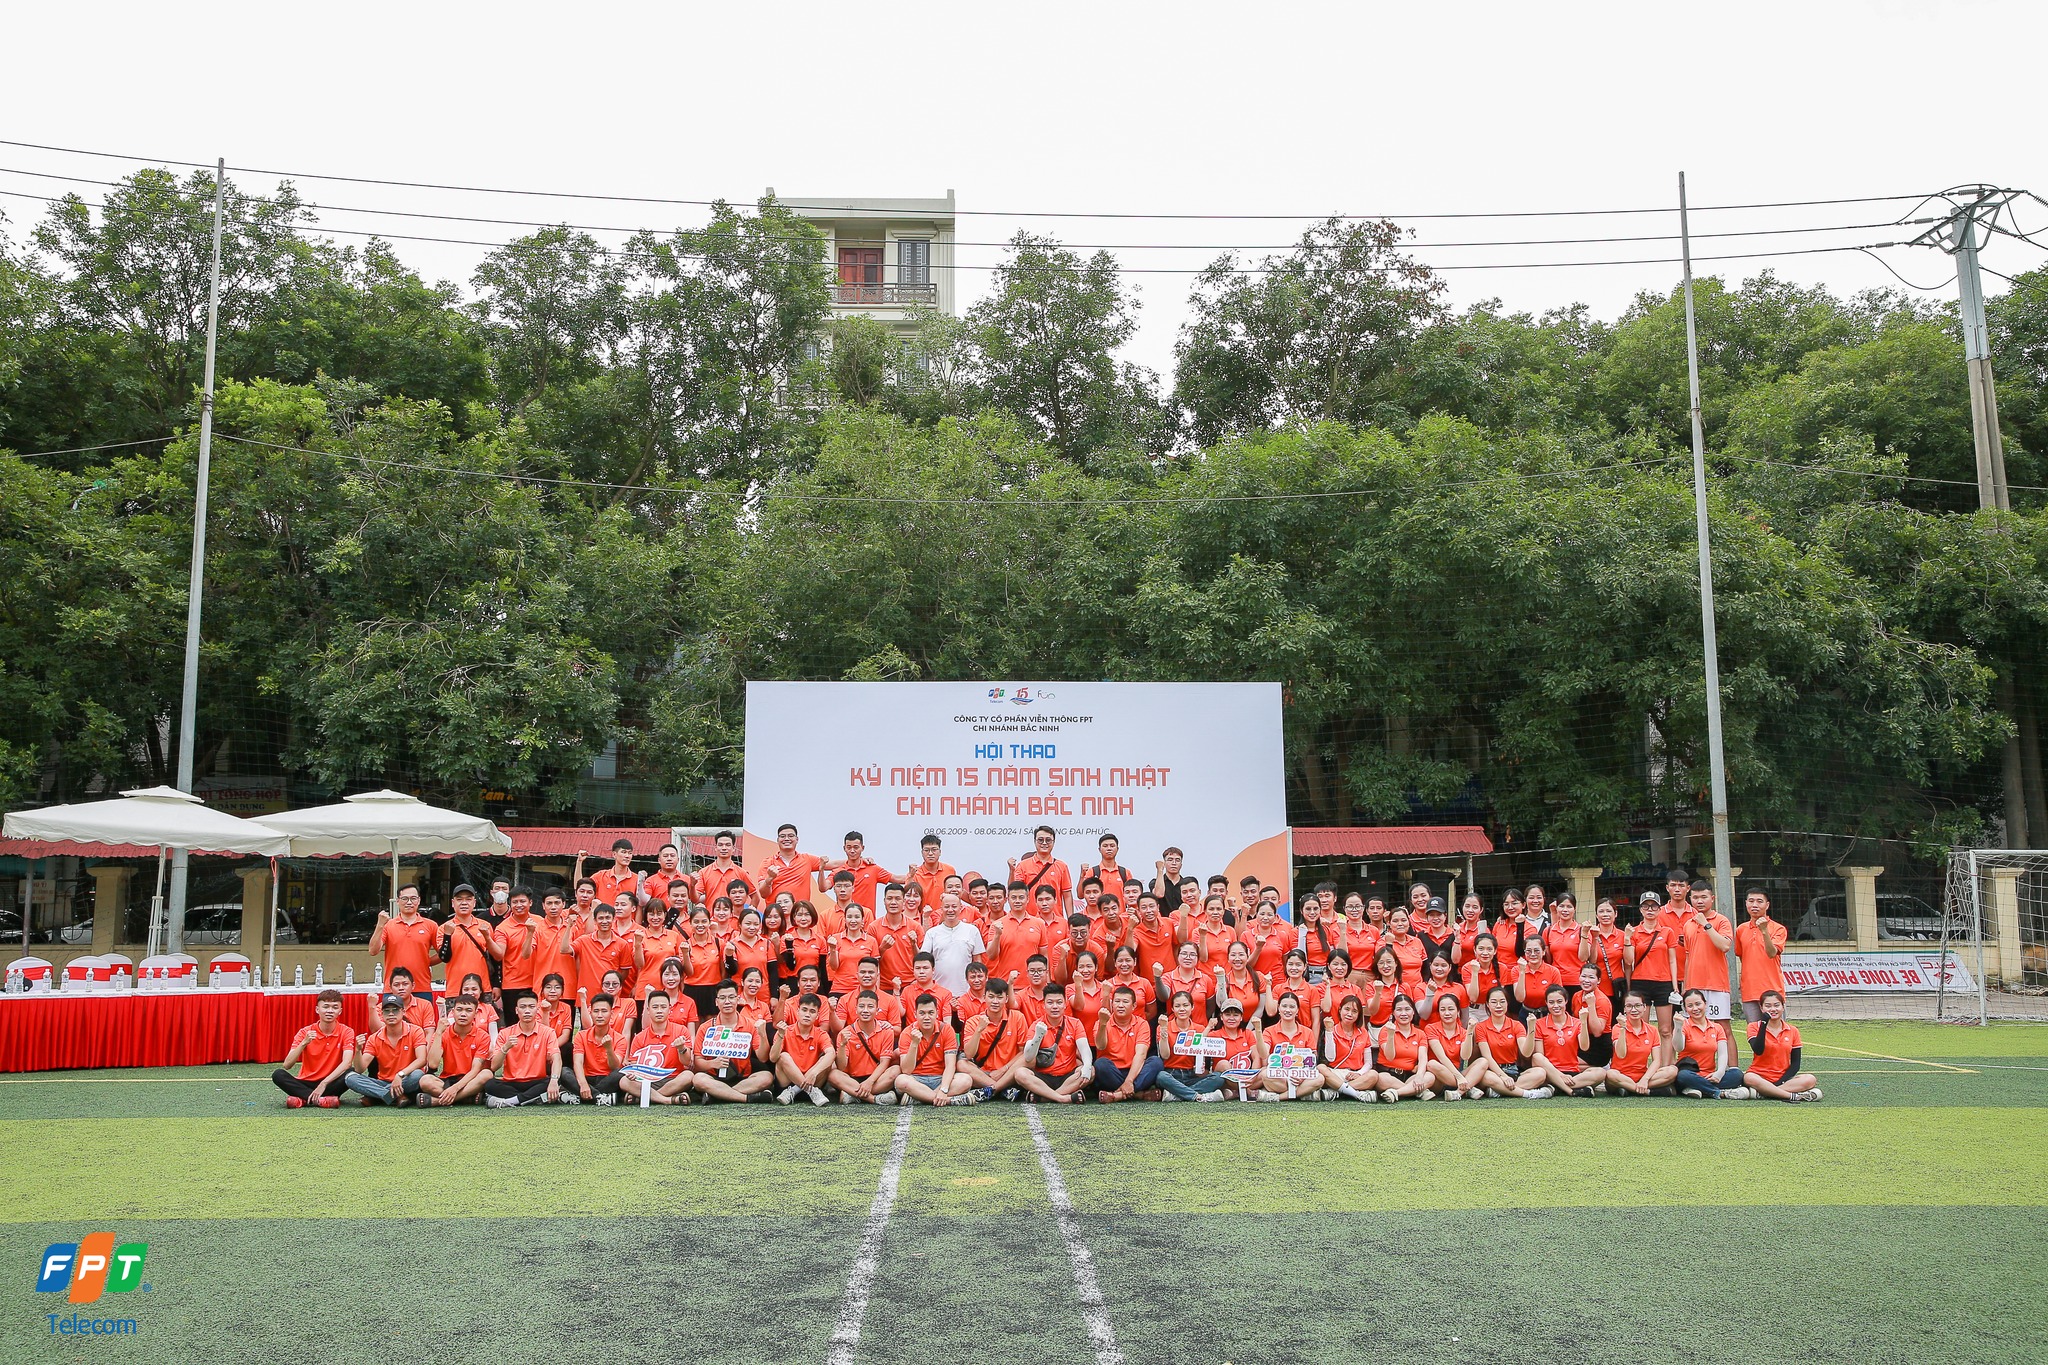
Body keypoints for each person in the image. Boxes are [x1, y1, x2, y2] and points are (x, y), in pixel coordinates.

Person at [691, 980, 775, 1103]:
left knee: (767, 1077)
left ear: (738, 999)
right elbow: (698, 1062)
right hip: (714, 1078)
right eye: (722, 998)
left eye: (731, 997)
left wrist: (762, 1035)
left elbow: (762, 1058)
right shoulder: (705, 1027)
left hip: (743, 1078)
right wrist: (713, 1063)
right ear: (716, 1002)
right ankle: (745, 1098)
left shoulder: (750, 1025)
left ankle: (716, 1096)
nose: (727, 1002)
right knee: (698, 1079)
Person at [273, 988, 354, 1108]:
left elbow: (347, 1063)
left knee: (351, 1072)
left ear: (340, 1011)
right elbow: (287, 1065)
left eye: (335, 1007)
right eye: (325, 1007)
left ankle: (303, 1099)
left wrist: (324, 1083)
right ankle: (321, 1100)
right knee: (278, 1074)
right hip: (306, 1082)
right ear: (317, 1009)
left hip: (330, 1083)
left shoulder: (346, 1031)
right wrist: (304, 1043)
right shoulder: (305, 1032)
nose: (330, 1011)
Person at [1678, 880, 1736, 1046]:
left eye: (1704, 897)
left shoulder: (1721, 921)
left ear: (1712, 898)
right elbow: (1688, 956)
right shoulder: (1688, 924)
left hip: (1716, 984)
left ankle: (1730, 1063)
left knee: (1723, 1029)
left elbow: (1725, 946)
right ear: (1690, 899)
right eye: (1695, 897)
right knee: (1693, 1029)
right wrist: (1685, 986)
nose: (1699, 901)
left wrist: (1706, 924)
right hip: (1694, 986)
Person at [345, 993, 429, 1106]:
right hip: (383, 1081)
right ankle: (392, 1095)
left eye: (395, 1010)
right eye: (386, 1011)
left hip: (406, 1078)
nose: (391, 1014)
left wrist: (400, 1075)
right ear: (381, 1014)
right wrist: (358, 1050)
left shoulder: (416, 1031)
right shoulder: (374, 1038)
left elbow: (422, 1060)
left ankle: (377, 1096)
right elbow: (360, 1069)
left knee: (417, 1075)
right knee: (350, 1078)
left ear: (403, 1012)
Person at [1521, 985, 1604, 1098]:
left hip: (1573, 1073)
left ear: (1566, 1001)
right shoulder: (1539, 1024)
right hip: (1550, 1072)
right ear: (1546, 1003)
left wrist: (1584, 1021)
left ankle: (1555, 1088)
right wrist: (1560, 1075)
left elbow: (1584, 1047)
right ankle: (1570, 1090)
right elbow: (1540, 1056)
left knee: (1601, 1072)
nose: (1556, 1006)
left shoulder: (1577, 1022)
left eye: (1559, 1001)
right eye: (1551, 1002)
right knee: (1537, 1057)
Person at [1669, 988, 1752, 1099]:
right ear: (1685, 1008)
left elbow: (1722, 1053)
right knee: (1682, 1076)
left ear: (1705, 1004)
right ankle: (1720, 1092)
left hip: (1710, 1075)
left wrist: (1720, 1073)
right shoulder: (1684, 1025)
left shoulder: (1717, 1027)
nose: (1695, 1009)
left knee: (1737, 1074)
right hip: (1690, 1073)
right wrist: (1678, 1027)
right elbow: (1678, 1048)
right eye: (1690, 1006)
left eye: (1698, 1004)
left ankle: (1699, 1089)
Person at [1742, 989, 1822, 1102]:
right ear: (1761, 1008)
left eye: (1776, 1005)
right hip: (1759, 1076)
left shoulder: (1793, 1030)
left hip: (1784, 1079)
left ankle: (1766, 1093)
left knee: (1810, 1079)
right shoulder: (1753, 1027)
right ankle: (1791, 1096)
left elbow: (1795, 1064)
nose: (1773, 1009)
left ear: (1783, 1007)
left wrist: (1780, 1082)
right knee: (1748, 1077)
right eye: (1768, 1006)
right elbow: (1758, 1050)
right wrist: (1764, 1024)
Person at [484, 993, 562, 1107]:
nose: (527, 1011)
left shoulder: (548, 1032)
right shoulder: (505, 1033)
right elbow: (494, 1066)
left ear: (537, 1010)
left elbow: (556, 1058)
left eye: (531, 1007)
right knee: (490, 1085)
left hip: (537, 1081)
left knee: (556, 1080)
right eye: (523, 1007)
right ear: (516, 1010)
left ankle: (511, 1101)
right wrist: (505, 1048)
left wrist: (554, 1080)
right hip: (512, 1082)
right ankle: (532, 1098)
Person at [619, 990, 694, 1105]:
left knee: (688, 1076)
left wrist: (681, 1048)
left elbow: (687, 1062)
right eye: (655, 1007)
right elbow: (635, 1066)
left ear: (669, 1009)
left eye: (663, 1007)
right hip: (647, 1081)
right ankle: (667, 1100)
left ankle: (645, 1097)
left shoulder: (681, 1030)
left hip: (673, 1079)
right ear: (648, 1010)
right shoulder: (639, 1037)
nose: (659, 1011)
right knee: (624, 1081)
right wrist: (633, 1074)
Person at [894, 993, 970, 1106]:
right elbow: (906, 1070)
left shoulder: (947, 1029)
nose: (926, 1017)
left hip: (940, 1078)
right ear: (915, 1014)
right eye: (922, 1013)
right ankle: (948, 1100)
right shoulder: (907, 1032)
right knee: (901, 1081)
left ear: (937, 1013)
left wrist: (943, 1089)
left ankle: (920, 1098)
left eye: (931, 1013)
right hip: (916, 1079)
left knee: (966, 1080)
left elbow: (950, 1065)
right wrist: (914, 1044)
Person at [959, 979, 1030, 1099]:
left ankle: (993, 1089)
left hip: (1009, 1071)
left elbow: (1022, 1051)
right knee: (961, 1064)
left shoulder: (1017, 1017)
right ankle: (1003, 1090)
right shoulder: (973, 1021)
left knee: (1028, 1058)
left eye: (999, 997)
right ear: (984, 997)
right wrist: (979, 1030)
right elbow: (969, 1054)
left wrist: (1003, 1070)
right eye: (991, 997)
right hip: (984, 1073)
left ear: (1006, 999)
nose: (995, 1001)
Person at [418, 993, 492, 1106]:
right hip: (448, 1079)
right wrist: (438, 1033)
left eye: (468, 1010)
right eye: (459, 1009)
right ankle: (467, 1098)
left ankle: (437, 1101)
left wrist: (455, 1089)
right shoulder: (442, 1033)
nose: (463, 1014)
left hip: (470, 1080)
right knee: (425, 1081)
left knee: (487, 1074)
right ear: (453, 1012)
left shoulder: (483, 1036)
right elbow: (432, 1064)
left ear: (475, 1013)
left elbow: (475, 1070)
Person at [1154, 990, 1227, 1102]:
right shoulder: (1164, 1027)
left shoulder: (1199, 1029)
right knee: (1161, 1076)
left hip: (1192, 1075)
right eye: (1177, 1006)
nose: (1182, 1009)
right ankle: (1196, 1096)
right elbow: (1165, 1055)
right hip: (1171, 1074)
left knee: (1219, 1078)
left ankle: (1178, 1095)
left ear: (1192, 1007)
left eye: (1185, 1005)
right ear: (1172, 1009)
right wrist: (1163, 1029)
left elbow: (1200, 1053)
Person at [832, 989, 901, 1104]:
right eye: (861, 1006)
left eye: (870, 1007)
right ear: (856, 1009)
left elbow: (884, 1063)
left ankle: (853, 1094)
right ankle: (874, 1099)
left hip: (876, 1078)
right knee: (833, 1074)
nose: (865, 1010)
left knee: (896, 1070)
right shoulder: (845, 1033)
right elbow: (842, 1067)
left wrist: (870, 1082)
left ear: (877, 1010)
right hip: (851, 1078)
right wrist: (843, 1045)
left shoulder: (887, 1031)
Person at [1092, 984, 1159, 1102]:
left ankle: (1118, 1095)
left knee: (1156, 1062)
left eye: (1125, 1002)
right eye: (1117, 1001)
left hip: (1135, 1071)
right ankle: (1137, 1094)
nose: (1120, 1005)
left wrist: (1129, 1080)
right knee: (1100, 1064)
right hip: (1113, 1071)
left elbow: (1141, 1054)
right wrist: (1103, 1024)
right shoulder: (1102, 1022)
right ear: (1112, 1004)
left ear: (1134, 1006)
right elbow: (1100, 1046)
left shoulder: (1142, 1023)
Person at [369, 884, 439, 995]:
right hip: (394, 988)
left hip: (421, 987)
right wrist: (380, 925)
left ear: (419, 900)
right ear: (397, 901)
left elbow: (443, 954)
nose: (409, 902)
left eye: (413, 898)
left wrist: (426, 961)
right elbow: (373, 951)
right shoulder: (388, 926)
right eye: (405, 898)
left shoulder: (431, 925)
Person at [1627, 890, 1680, 1035]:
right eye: (1646, 906)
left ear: (1659, 909)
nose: (1649, 910)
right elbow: (1628, 961)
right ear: (1640, 909)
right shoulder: (1634, 932)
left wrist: (1675, 985)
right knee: (1641, 1028)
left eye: (1654, 906)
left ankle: (1666, 1052)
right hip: (1640, 982)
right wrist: (1627, 939)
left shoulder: (1667, 932)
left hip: (1663, 982)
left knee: (1665, 1030)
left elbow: (1672, 960)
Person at [1733, 889, 1789, 1025]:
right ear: (1746, 903)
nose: (1755, 905)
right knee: (1754, 1032)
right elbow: (1742, 956)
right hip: (1749, 991)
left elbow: (1772, 953)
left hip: (1772, 990)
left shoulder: (1778, 929)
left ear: (1767, 905)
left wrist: (1764, 931)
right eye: (1751, 901)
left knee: (1776, 1032)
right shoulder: (1741, 929)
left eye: (1759, 901)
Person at [916, 890, 987, 998]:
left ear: (960, 908)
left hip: (966, 993)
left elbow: (977, 961)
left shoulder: (972, 930)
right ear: (941, 909)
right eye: (946, 907)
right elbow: (924, 961)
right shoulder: (932, 933)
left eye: (954, 906)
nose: (950, 910)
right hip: (938, 993)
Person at [771, 992, 836, 1106]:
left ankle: (797, 1090)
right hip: (786, 1086)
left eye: (812, 1011)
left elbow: (831, 1053)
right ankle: (808, 1090)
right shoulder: (785, 1031)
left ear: (817, 1016)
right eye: (804, 1010)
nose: (807, 1014)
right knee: (783, 1056)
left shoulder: (821, 1033)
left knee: (827, 1059)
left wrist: (814, 1072)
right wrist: (781, 1035)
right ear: (798, 1011)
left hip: (812, 1081)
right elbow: (773, 1058)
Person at [1603, 992, 1673, 1096]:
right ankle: (1647, 1091)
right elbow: (1621, 1054)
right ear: (1624, 1009)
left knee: (1672, 1071)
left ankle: (1631, 1088)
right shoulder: (1617, 1028)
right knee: (1610, 1074)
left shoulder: (1652, 1030)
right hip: (1620, 1076)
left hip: (1642, 1076)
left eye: (1637, 1005)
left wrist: (1645, 1079)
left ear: (1644, 1007)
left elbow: (1657, 1061)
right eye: (1629, 1006)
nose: (1634, 1010)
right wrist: (1623, 1028)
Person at [1470, 986, 1534, 1098]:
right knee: (1487, 1077)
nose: (1498, 1006)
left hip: (1512, 1070)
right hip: (1492, 1071)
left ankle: (1499, 1090)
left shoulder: (1516, 1025)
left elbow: (1526, 1052)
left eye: (1502, 1001)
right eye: (1494, 1002)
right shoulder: (1481, 1027)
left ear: (1507, 1003)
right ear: (1488, 1004)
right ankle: (1527, 1093)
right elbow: (1487, 1056)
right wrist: (1503, 1076)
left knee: (1540, 1073)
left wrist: (1531, 1028)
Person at [1258, 991, 1321, 1101]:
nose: (1288, 1010)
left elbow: (1312, 1060)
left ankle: (1279, 1097)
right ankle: (1303, 1093)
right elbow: (1264, 1055)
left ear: (1297, 1010)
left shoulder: (1308, 1032)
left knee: (1320, 1078)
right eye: (1284, 1006)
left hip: (1301, 1076)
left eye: (1292, 1007)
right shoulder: (1269, 1031)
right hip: (1279, 1077)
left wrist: (1303, 1076)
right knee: (1265, 1074)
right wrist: (1258, 1031)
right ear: (1278, 1008)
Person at [490, 886, 542, 1022]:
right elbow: (499, 953)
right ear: (510, 904)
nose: (519, 905)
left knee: (538, 1024)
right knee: (513, 1025)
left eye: (522, 901)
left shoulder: (540, 922)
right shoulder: (503, 928)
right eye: (515, 902)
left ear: (530, 902)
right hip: (513, 985)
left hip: (538, 983)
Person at [437, 884, 496, 999]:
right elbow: (444, 958)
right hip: (455, 990)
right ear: (453, 903)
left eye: (468, 899)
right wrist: (447, 935)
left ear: (474, 903)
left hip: (482, 989)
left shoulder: (485, 926)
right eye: (459, 899)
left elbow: (495, 957)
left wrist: (496, 984)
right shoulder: (444, 928)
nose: (464, 903)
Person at [1319, 994, 1379, 1102]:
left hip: (1356, 1074)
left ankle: (1336, 1092)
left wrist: (1359, 1073)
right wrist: (1329, 1031)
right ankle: (1355, 1093)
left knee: (1373, 1075)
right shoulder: (1332, 1030)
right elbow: (1330, 1058)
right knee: (1321, 1068)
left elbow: (1368, 1063)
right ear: (1340, 1010)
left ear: (1359, 1014)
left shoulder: (1363, 1032)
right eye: (1347, 1009)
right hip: (1336, 1073)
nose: (1350, 1014)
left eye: (1354, 1011)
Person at [1372, 994, 1431, 1102]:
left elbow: (1423, 1059)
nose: (1403, 1013)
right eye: (1399, 1010)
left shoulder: (1420, 1034)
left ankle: (1396, 1092)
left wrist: (1419, 1076)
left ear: (1413, 1012)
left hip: (1409, 1075)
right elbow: (1389, 1057)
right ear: (1393, 1013)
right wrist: (1391, 1035)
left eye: (1407, 1009)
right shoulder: (1385, 1030)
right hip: (1388, 1074)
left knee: (1430, 1077)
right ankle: (1416, 1091)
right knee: (1382, 1079)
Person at [571, 992, 625, 1105]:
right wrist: (583, 1084)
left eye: (604, 1011)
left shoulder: (620, 1039)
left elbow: (615, 1066)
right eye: (596, 1011)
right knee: (564, 1072)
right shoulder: (581, 1035)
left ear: (611, 1013)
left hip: (607, 1079)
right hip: (587, 1078)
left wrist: (609, 1049)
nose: (600, 1015)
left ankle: (584, 1097)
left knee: (621, 1072)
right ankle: (600, 1097)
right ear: (590, 1013)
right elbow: (578, 1062)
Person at [757, 823, 827, 908]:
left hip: (800, 913)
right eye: (782, 836)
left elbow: (834, 865)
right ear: (778, 840)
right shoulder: (767, 863)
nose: (786, 839)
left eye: (790, 836)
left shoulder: (807, 859)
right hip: (776, 914)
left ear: (797, 839)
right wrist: (769, 879)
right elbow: (763, 894)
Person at [1008, 824, 1074, 913]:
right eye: (1040, 840)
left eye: (1048, 840)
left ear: (1054, 842)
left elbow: (1067, 895)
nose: (1044, 843)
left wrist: (1071, 918)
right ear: (1034, 841)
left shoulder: (1062, 866)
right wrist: (1012, 871)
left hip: (1055, 918)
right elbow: (1014, 890)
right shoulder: (1023, 865)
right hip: (1030, 917)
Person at [1421, 992, 1474, 1100]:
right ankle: (1469, 1088)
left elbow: (1465, 1056)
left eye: (1451, 1009)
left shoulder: (1463, 1032)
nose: (1447, 1013)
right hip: (1439, 1077)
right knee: (1432, 1064)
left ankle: (1458, 1092)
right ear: (1439, 1012)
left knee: (1483, 1062)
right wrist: (1459, 1078)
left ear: (1458, 1011)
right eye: (1442, 1009)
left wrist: (1470, 1032)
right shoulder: (1431, 1028)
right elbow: (1441, 1057)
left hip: (1458, 1073)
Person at [577, 839, 642, 910]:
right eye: (624, 852)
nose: (627, 856)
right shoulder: (600, 876)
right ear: (614, 854)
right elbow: (579, 886)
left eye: (630, 853)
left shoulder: (637, 879)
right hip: (603, 916)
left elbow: (639, 906)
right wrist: (579, 862)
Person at [694, 831, 751, 909]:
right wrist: (692, 885)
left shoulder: (742, 873)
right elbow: (695, 899)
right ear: (715, 847)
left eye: (728, 845)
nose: (724, 848)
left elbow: (755, 896)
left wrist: (749, 913)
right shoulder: (703, 872)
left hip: (734, 916)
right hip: (711, 916)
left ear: (733, 848)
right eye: (720, 845)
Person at [384, 966, 436, 1031]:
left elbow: (429, 1032)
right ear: (390, 988)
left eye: (405, 984)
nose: (401, 988)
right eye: (396, 985)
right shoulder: (382, 1007)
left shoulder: (425, 1005)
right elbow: (378, 1031)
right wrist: (372, 1007)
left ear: (413, 986)